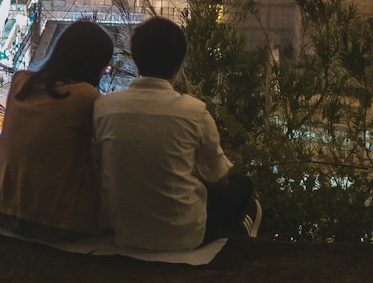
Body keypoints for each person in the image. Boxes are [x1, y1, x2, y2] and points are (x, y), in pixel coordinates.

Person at [93, 17, 261, 252]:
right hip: (183, 235)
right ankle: (238, 242)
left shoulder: (104, 108)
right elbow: (218, 179)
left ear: (135, 57)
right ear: (179, 65)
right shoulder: (194, 112)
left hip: (123, 231)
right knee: (242, 187)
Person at [0, 20, 115, 244]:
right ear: (92, 65)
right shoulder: (84, 96)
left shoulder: (20, 81)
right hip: (57, 223)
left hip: (3, 210)